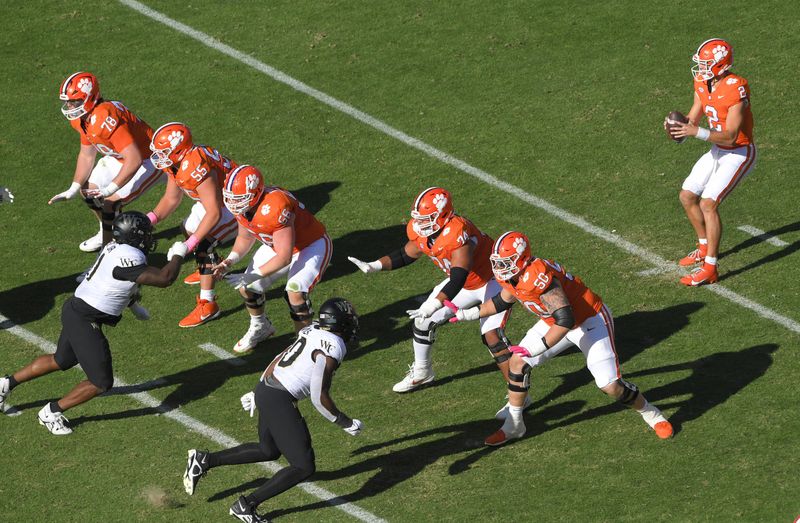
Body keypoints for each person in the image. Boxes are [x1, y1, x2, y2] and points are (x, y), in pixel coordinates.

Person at [449, 231, 674, 446]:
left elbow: (565, 319)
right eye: (497, 262)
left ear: (522, 260)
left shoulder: (537, 276)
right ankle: (514, 426)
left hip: (588, 321)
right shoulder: (512, 276)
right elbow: (501, 301)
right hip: (554, 321)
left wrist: (538, 347)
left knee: (609, 385)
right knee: (517, 363)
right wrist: (467, 313)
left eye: (505, 262)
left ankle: (650, 413)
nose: (499, 268)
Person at [0, 212, 187, 434]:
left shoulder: (115, 248)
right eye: (145, 233)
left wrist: (134, 306)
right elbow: (164, 279)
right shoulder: (129, 256)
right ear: (133, 236)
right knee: (101, 382)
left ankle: (5, 383)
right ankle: (51, 412)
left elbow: (116, 284)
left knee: (62, 359)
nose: (149, 237)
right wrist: (177, 256)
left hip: (77, 308)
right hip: (85, 317)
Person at [182, 297, 361, 523]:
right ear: (340, 323)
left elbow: (279, 358)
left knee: (268, 450)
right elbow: (318, 395)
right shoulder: (333, 346)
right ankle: (245, 505)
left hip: (269, 387)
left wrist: (258, 389)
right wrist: (344, 421)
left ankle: (204, 459)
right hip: (279, 397)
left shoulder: (313, 330)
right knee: (303, 466)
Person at [348, 187, 518, 413]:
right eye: (419, 217)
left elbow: (458, 276)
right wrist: (375, 265)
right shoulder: (423, 230)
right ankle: (422, 372)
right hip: (466, 283)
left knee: (492, 338)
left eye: (427, 218)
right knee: (423, 322)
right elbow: (407, 253)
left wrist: (435, 302)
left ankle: (517, 396)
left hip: (492, 282)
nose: (420, 223)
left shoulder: (458, 232)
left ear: (444, 215)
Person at [211, 165, 332, 353]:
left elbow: (284, 257)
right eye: (231, 197)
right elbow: (245, 237)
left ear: (255, 193)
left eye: (238, 198)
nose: (233, 203)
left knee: (295, 292)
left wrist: (255, 274)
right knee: (248, 288)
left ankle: (303, 345)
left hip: (310, 245)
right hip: (279, 245)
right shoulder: (246, 206)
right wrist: (229, 261)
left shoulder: (275, 206)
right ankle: (261, 327)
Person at [666, 38, 756, 286]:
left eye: (707, 64)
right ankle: (703, 246)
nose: (702, 68)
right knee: (686, 195)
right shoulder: (702, 82)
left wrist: (696, 133)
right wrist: (680, 127)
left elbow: (731, 135)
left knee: (708, 204)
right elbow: (695, 113)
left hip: (739, 151)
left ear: (721, 65)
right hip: (718, 149)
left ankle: (711, 268)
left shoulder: (736, 87)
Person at [50, 72, 164, 252]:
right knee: (88, 192)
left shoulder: (104, 117)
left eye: (75, 101)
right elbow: (87, 154)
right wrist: (73, 188)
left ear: (90, 97)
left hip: (150, 159)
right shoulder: (82, 119)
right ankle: (107, 231)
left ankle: (112, 248)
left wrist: (110, 189)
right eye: (68, 101)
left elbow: (133, 159)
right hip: (120, 157)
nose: (70, 106)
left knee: (110, 202)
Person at [146, 122, 239, 328]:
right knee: (186, 228)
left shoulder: (195, 166)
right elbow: (171, 198)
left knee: (204, 244)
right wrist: (149, 219)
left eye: (164, 152)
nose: (159, 157)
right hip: (215, 201)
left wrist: (189, 246)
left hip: (235, 206)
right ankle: (210, 267)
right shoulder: (176, 162)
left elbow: (214, 212)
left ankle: (208, 305)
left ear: (178, 149)